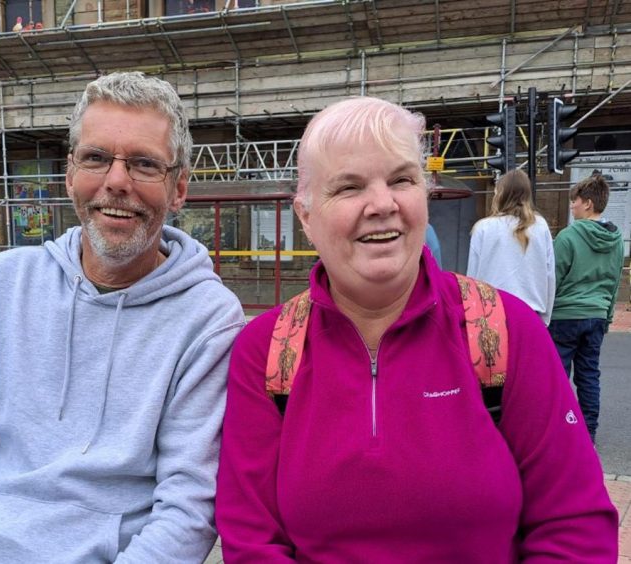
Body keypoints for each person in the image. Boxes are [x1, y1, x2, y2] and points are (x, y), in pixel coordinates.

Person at [215, 97, 617, 561]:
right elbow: (252, 540)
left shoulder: (507, 332)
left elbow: (574, 524)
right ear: (306, 216)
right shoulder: (266, 352)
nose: (382, 204)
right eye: (349, 187)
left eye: (402, 179)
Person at [0, 72, 245, 563]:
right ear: (70, 172)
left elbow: (189, 508)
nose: (117, 181)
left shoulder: (208, 317)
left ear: (178, 188)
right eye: (97, 158)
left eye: (143, 164)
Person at [548, 174, 624, 444]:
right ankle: (588, 432)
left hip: (565, 316)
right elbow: (614, 281)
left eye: (575, 201)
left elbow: (552, 279)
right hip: (596, 315)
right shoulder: (616, 240)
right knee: (589, 375)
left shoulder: (568, 237)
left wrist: (546, 314)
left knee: (558, 377)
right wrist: (607, 316)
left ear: (588, 204)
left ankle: (559, 429)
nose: (572, 206)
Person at [467, 169, 555, 324]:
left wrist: (472, 317)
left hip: (492, 312)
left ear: (499, 194)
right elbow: (549, 275)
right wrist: (545, 319)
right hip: (530, 314)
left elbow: (472, 277)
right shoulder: (541, 227)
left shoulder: (483, 228)